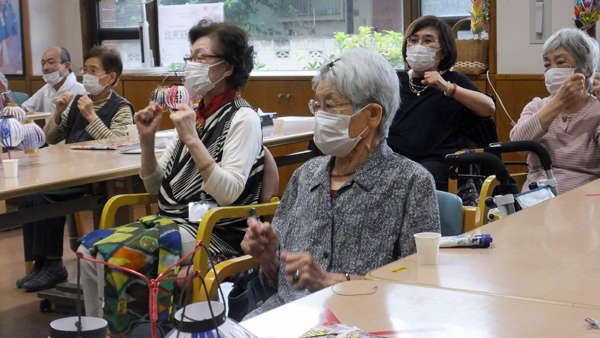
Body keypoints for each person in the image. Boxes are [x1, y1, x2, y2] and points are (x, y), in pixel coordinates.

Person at [77, 22, 262, 336]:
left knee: (118, 254)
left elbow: (230, 193)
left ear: (227, 67)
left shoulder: (242, 118)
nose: (190, 67)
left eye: (201, 59)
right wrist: (147, 139)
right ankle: (105, 332)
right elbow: (154, 187)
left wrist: (191, 137)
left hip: (214, 231)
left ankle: (147, 329)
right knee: (88, 252)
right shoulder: (193, 114)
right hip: (171, 223)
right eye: (189, 58)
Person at [240, 48, 440, 319]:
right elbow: (285, 283)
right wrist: (267, 259)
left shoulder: (411, 182)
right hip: (288, 318)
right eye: (317, 106)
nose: (320, 116)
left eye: (331, 106)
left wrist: (328, 281)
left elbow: (418, 291)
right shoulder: (305, 176)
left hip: (361, 322)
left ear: (372, 114)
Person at [16, 46, 133, 293]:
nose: (87, 75)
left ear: (110, 77)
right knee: (29, 194)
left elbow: (118, 146)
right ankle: (40, 263)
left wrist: (92, 118)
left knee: (44, 195)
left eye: (94, 70)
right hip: (68, 170)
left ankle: (53, 264)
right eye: (85, 70)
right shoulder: (79, 102)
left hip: (96, 176)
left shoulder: (121, 107)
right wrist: (58, 113)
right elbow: (48, 137)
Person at [386, 15, 495, 191]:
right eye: (413, 40)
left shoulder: (453, 80)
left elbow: (488, 108)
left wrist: (447, 87)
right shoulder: (393, 79)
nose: (418, 45)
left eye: (428, 40)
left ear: (443, 51)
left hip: (437, 163)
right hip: (394, 160)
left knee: (410, 180)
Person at [510, 28, 600, 194]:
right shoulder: (537, 106)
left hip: (584, 203)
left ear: (585, 69)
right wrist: (559, 102)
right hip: (535, 201)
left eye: (560, 63)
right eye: (547, 65)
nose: (551, 70)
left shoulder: (597, 111)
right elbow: (518, 145)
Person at [14, 47, 87, 112]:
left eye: (51, 62)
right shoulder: (47, 88)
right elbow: (25, 109)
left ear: (66, 66)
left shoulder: (82, 91)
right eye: (43, 63)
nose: (45, 67)